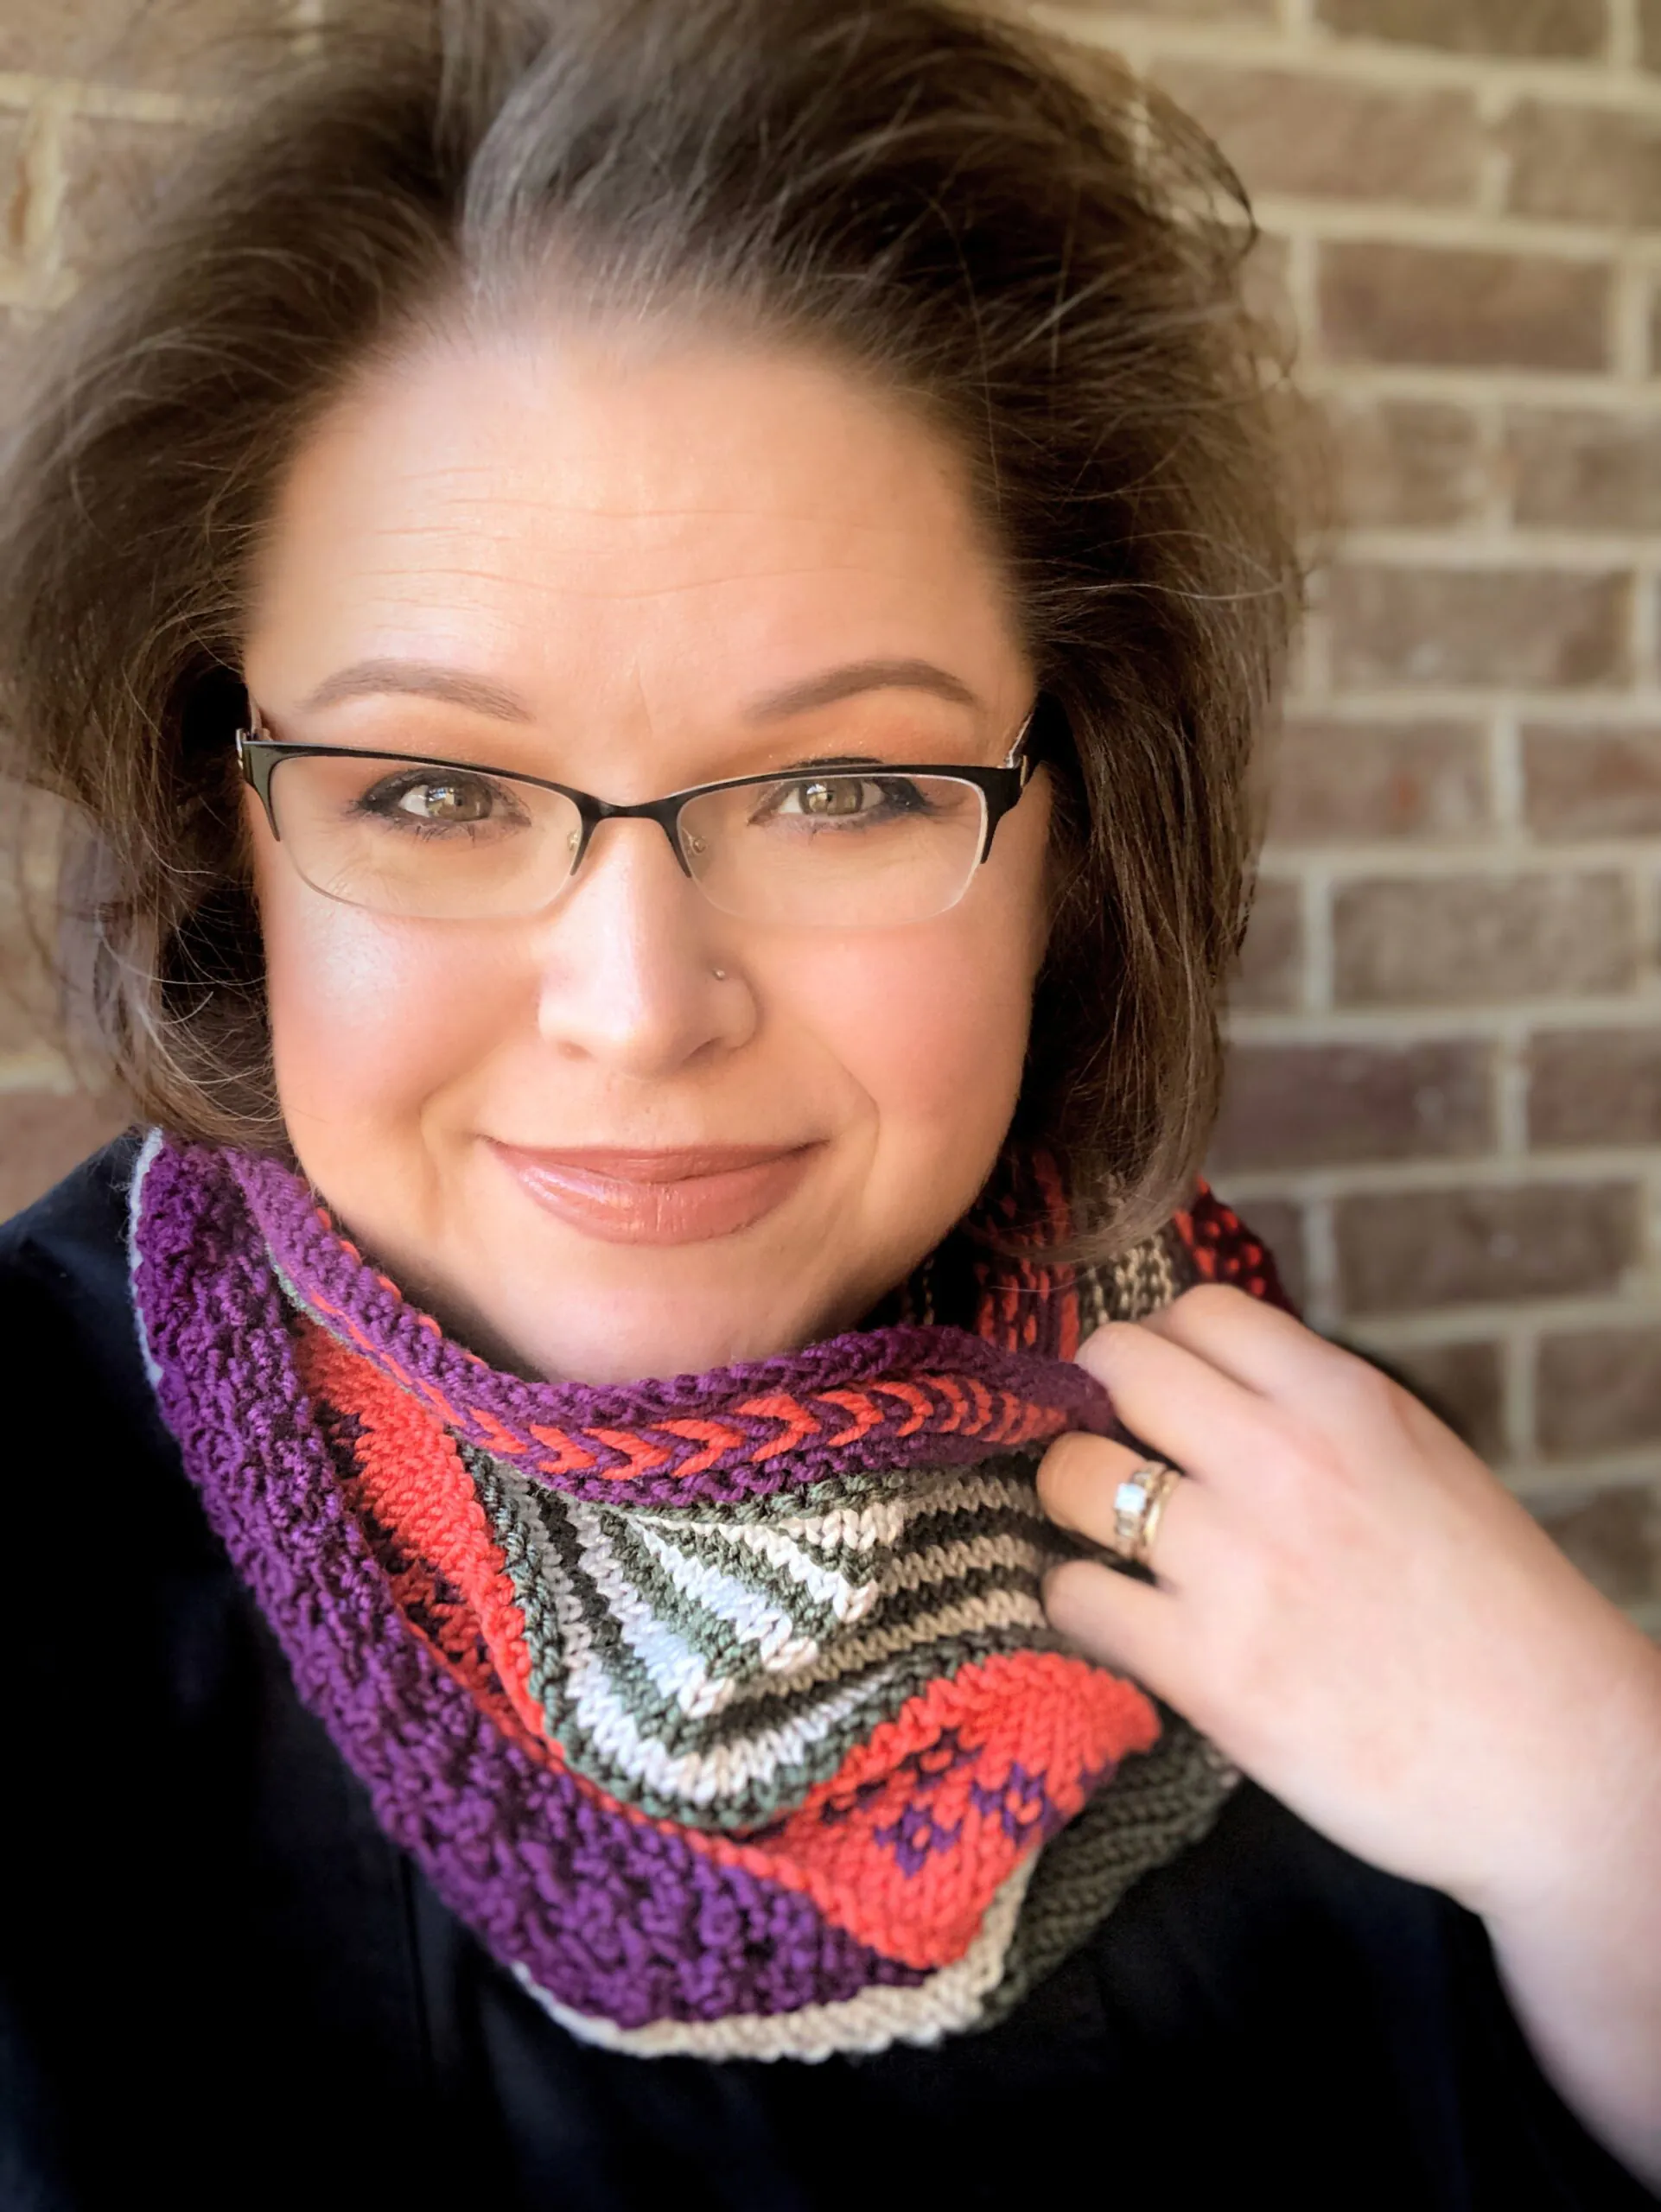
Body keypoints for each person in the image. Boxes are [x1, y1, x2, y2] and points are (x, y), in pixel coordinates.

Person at [1, 2, 1656, 2204]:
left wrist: (1601, 1822)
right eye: (428, 787)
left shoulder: (1308, 1506)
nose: (640, 1000)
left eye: (850, 786)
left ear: (1076, 834)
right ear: (229, 829)